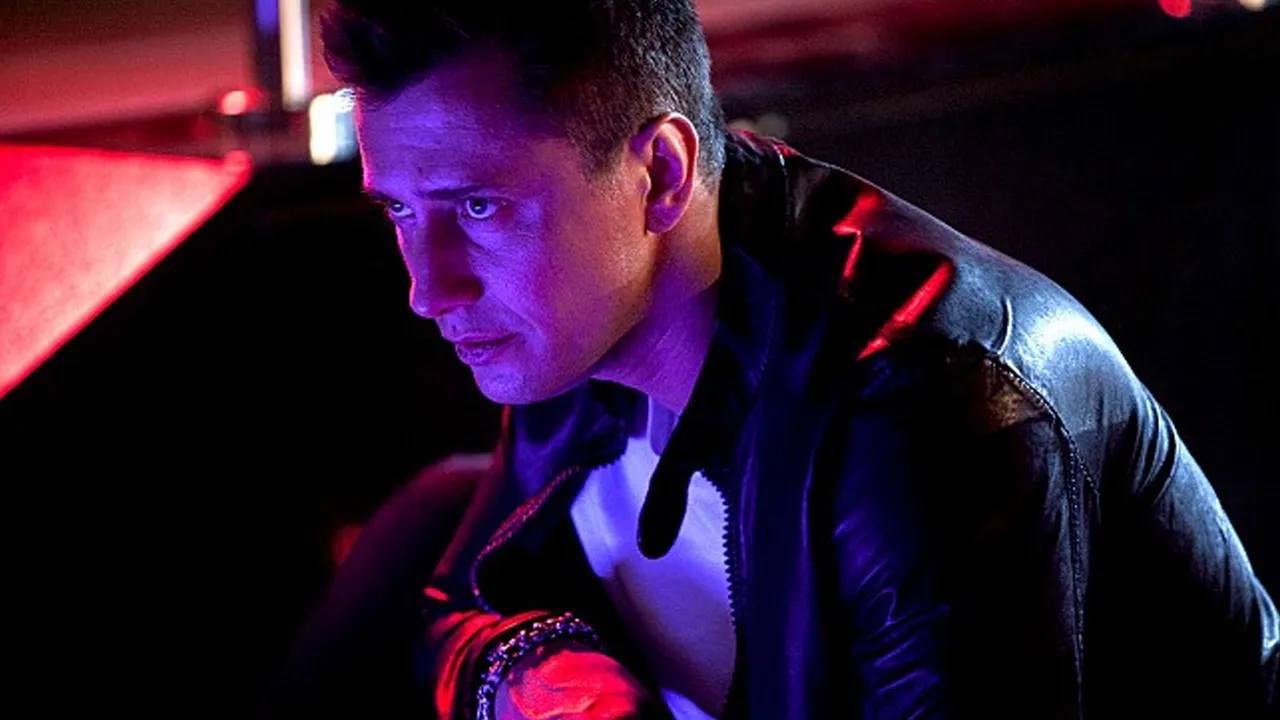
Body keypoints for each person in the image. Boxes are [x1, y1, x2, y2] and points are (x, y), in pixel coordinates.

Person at [313, 0, 1279, 717]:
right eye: (398, 209)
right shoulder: (571, 319)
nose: (428, 288)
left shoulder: (921, 408)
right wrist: (533, 667)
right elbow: (455, 602)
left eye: (480, 207)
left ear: (660, 175)